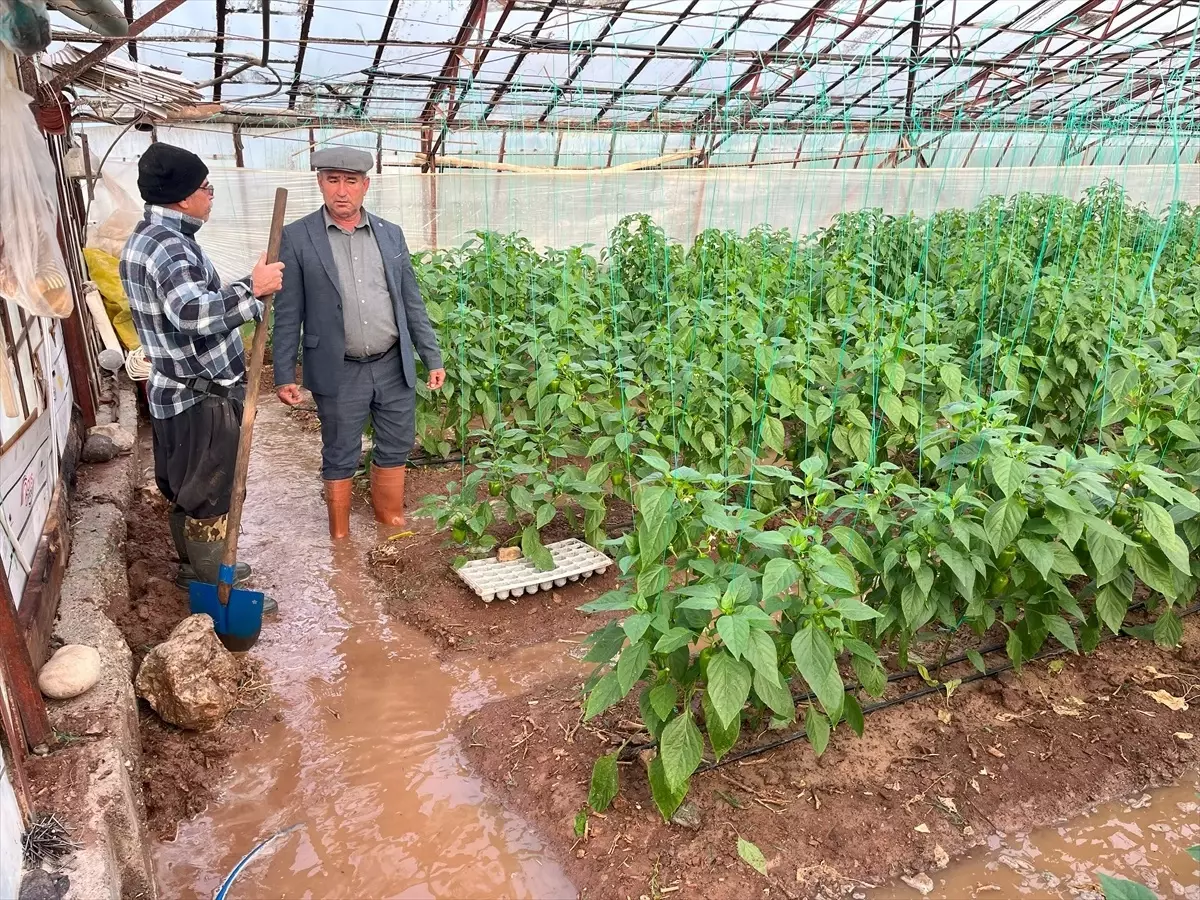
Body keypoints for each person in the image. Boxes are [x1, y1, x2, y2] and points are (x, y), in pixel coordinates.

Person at [120, 143, 283, 612]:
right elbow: (192, 312)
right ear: (183, 196)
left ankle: (194, 565)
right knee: (211, 492)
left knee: (184, 485)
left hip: (175, 389)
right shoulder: (169, 246)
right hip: (201, 395)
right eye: (205, 187)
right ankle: (219, 592)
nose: (211, 195)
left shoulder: (150, 236)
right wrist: (252, 291)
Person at [273, 146, 445, 539]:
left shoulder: (389, 233)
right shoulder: (298, 238)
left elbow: (410, 300)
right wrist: (284, 373)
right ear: (321, 183)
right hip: (338, 366)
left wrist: (431, 356)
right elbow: (288, 311)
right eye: (333, 180)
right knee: (340, 449)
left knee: (397, 441)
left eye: (351, 181)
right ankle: (339, 531)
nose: (341, 191)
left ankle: (389, 516)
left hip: (391, 361)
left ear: (365, 185)